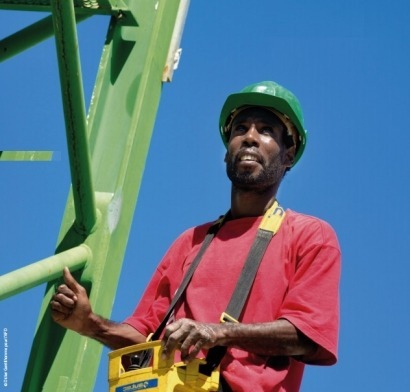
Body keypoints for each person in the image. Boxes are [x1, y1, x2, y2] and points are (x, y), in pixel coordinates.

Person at [51, 81, 341, 392]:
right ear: (227, 151)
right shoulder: (191, 242)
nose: (250, 138)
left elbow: (307, 336)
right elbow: (148, 338)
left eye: (266, 130)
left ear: (289, 154)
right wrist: (89, 323)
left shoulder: (311, 237)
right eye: (240, 129)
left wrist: (219, 333)